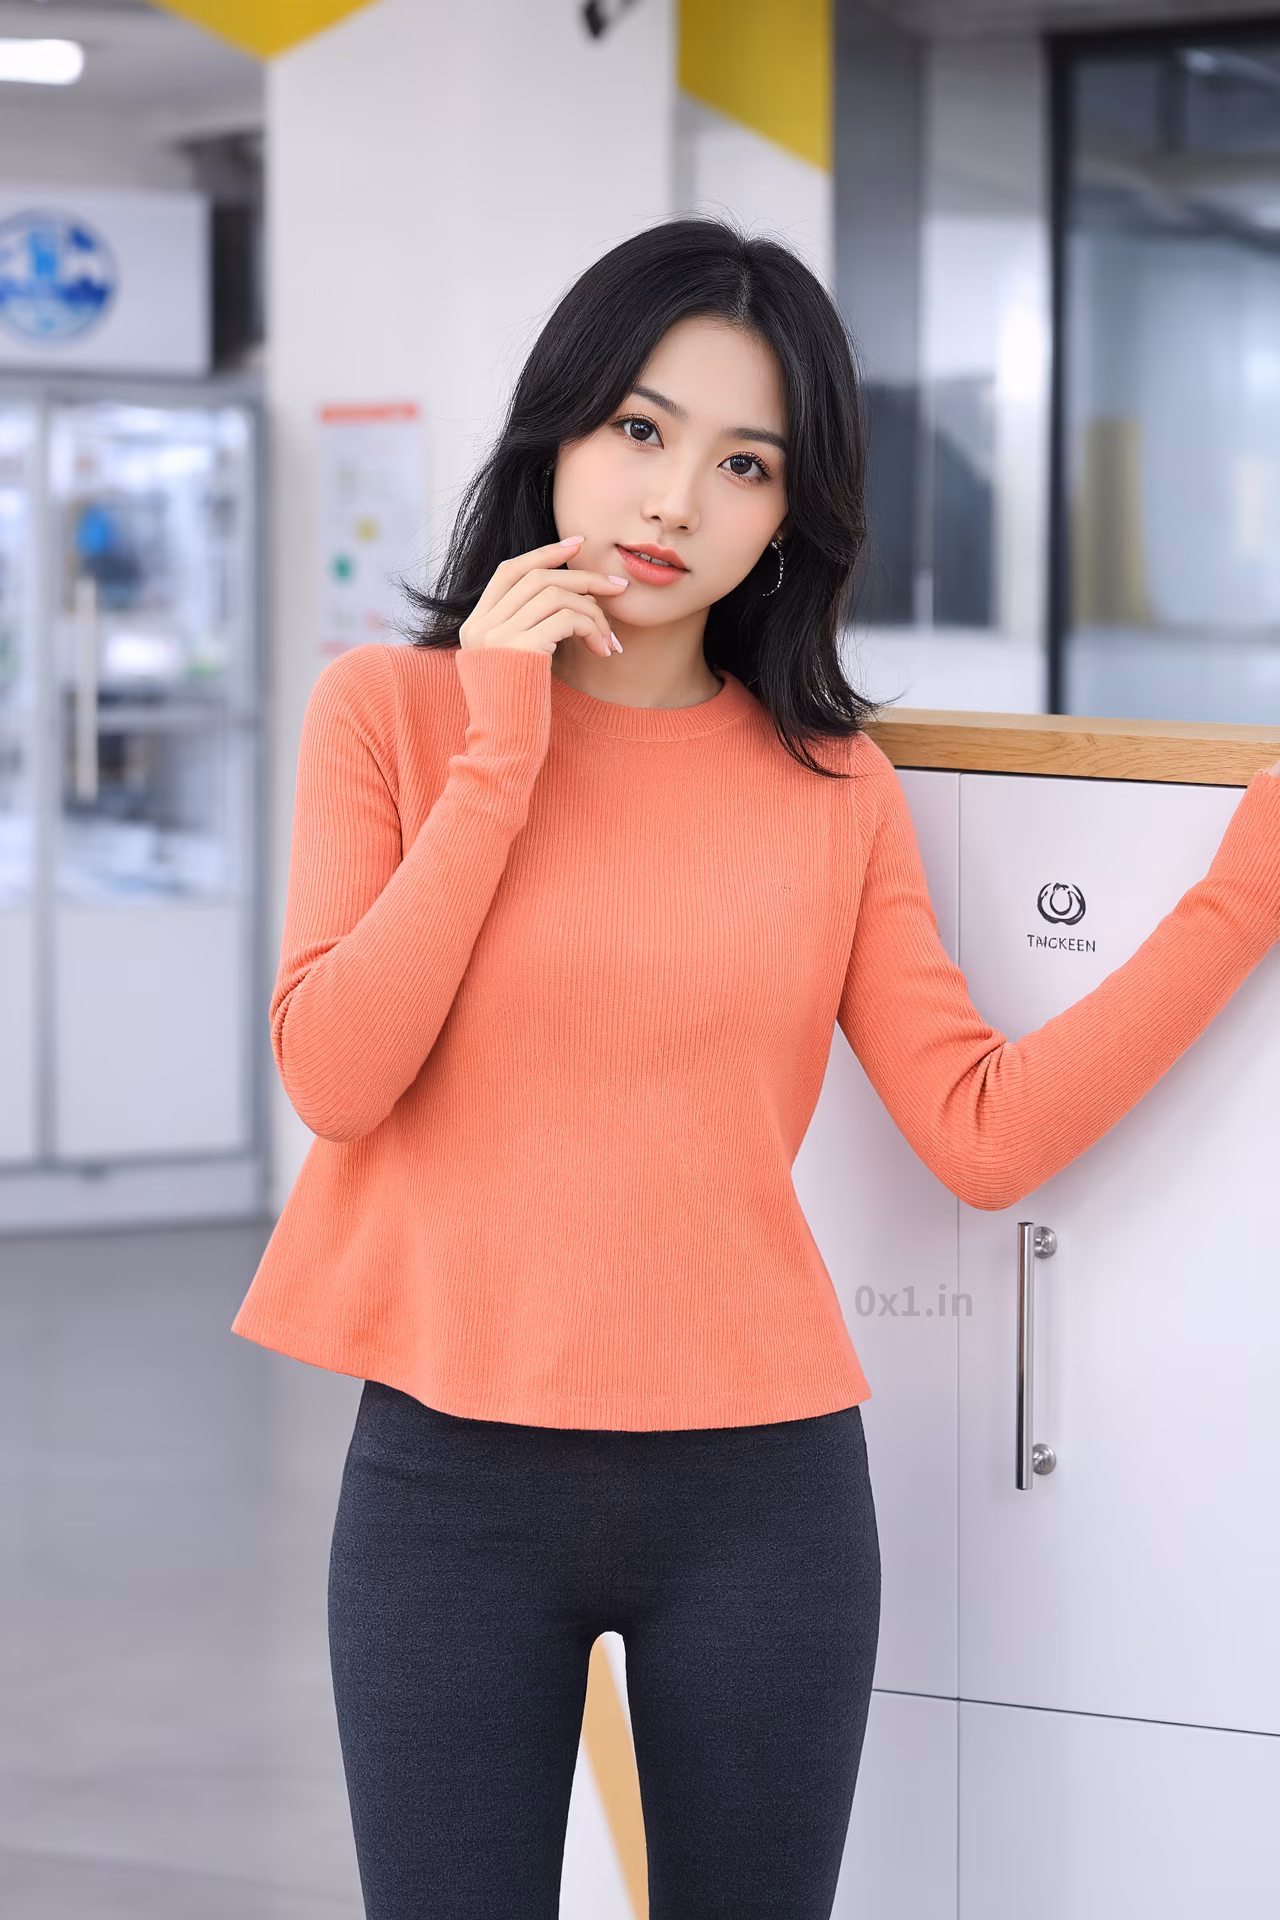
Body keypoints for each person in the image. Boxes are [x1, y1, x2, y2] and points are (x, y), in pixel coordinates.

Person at [232, 218, 1280, 1920]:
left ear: (789, 515)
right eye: (639, 432)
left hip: (764, 1496)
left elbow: (983, 1130)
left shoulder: (827, 786)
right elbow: (338, 1076)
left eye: (740, 464)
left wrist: (1248, 889)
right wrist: (504, 749)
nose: (669, 504)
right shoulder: (392, 718)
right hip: (447, 1482)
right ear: (558, 429)